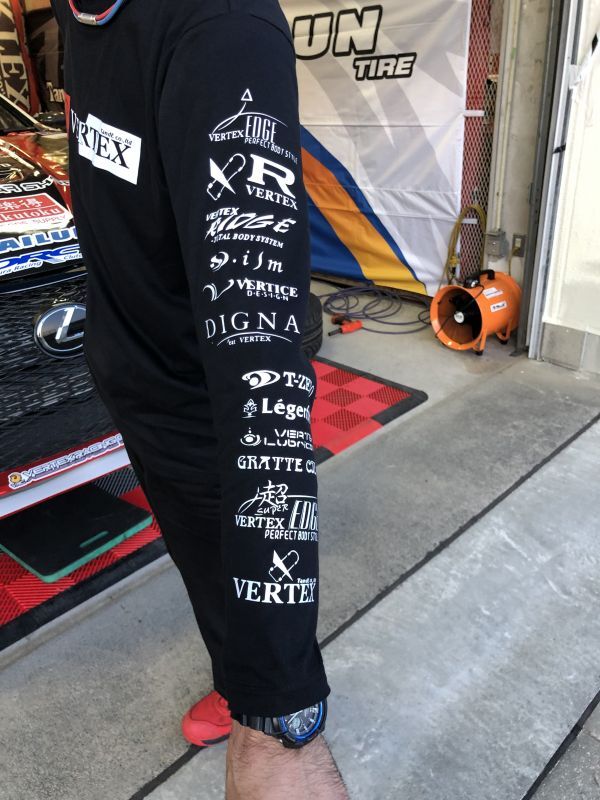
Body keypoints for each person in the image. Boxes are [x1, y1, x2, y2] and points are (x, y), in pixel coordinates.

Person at [50, 0, 348, 797]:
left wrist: (280, 717)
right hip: (136, 384)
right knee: (203, 565)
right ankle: (234, 664)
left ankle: (254, 684)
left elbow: (262, 376)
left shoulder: (221, 32)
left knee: (233, 560)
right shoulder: (79, 14)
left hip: (206, 408)